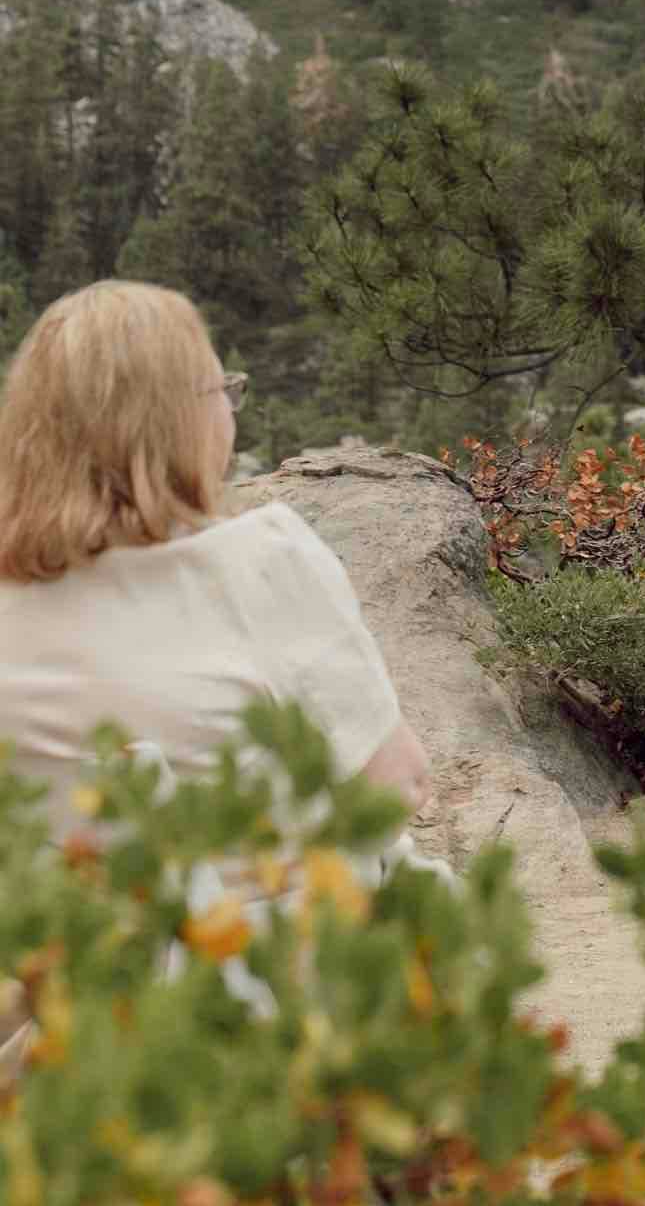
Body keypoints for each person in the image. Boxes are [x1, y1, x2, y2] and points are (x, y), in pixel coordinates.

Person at [0, 280, 429, 840]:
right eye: (224, 390)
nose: (231, 409)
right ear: (182, 422)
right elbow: (397, 786)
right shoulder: (261, 562)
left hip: (63, 924)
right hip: (251, 920)